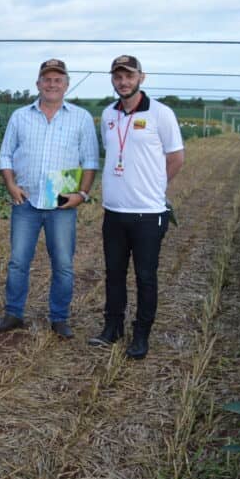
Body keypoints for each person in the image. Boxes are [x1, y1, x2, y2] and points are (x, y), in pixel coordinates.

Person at [0, 59, 98, 339]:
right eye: (47, 79)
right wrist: (11, 184)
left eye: (58, 80)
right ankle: (13, 313)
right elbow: (5, 154)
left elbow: (90, 161)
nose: (52, 84)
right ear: (38, 83)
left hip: (61, 199)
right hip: (25, 200)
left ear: (66, 84)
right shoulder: (20, 116)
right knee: (18, 261)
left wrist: (82, 194)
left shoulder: (81, 118)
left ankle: (59, 317)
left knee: (62, 262)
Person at [90, 55, 184, 359]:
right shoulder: (108, 115)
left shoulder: (161, 113)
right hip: (114, 212)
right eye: (118, 76)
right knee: (114, 273)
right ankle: (112, 328)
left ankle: (141, 334)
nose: (123, 82)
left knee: (145, 276)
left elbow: (176, 157)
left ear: (141, 78)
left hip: (148, 214)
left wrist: (155, 186)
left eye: (129, 76)